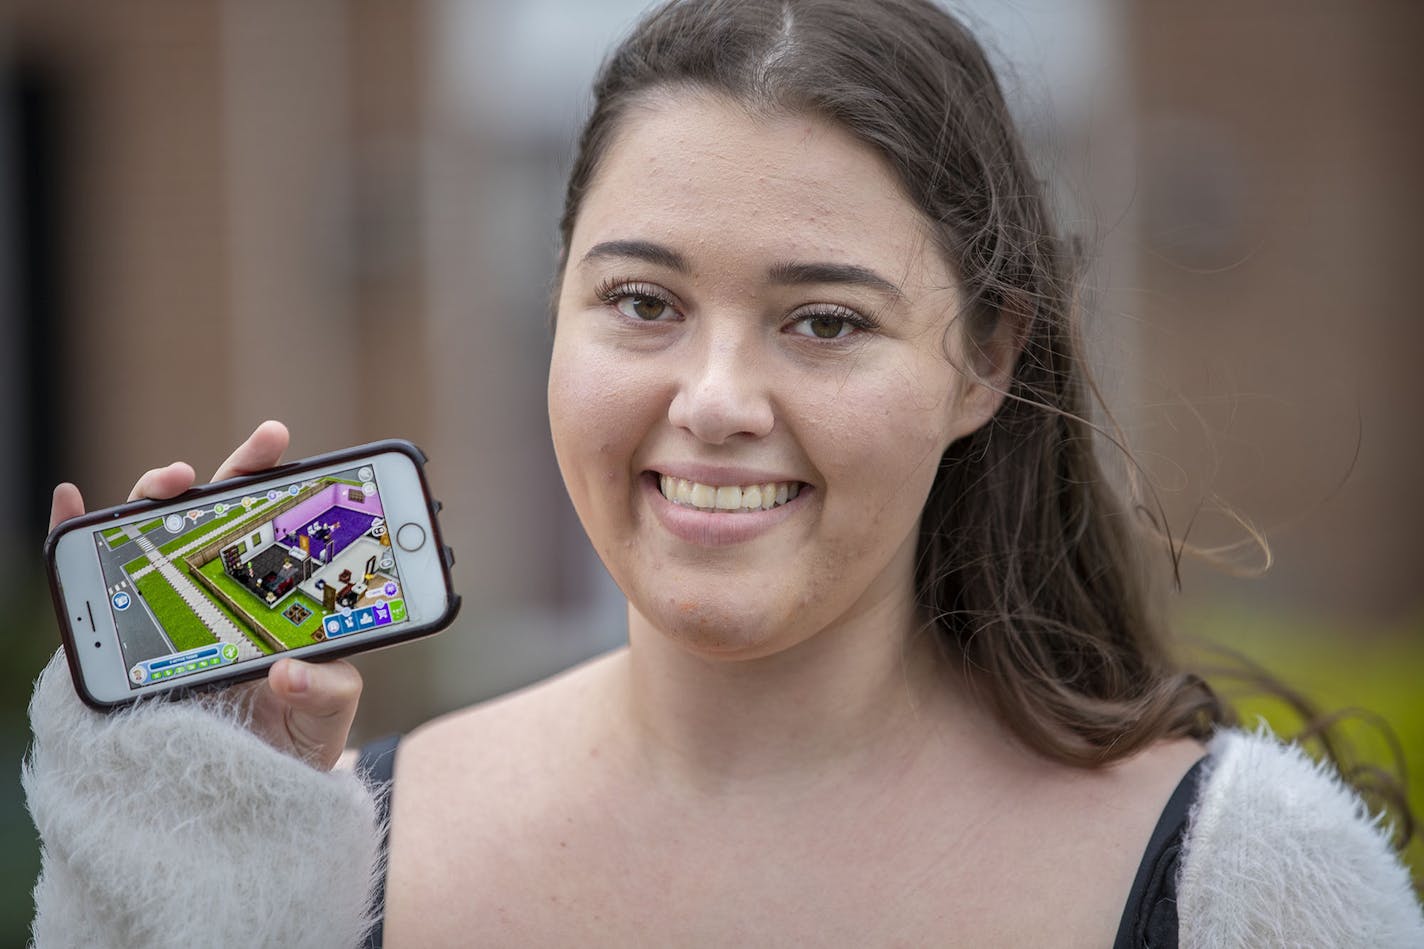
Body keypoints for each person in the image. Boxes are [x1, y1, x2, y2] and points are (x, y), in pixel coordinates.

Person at [26, 1, 1424, 947]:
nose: (712, 400)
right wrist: (181, 882)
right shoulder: (328, 856)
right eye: (642, 302)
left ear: (985, 360)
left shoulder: (1237, 883)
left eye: (824, 320)